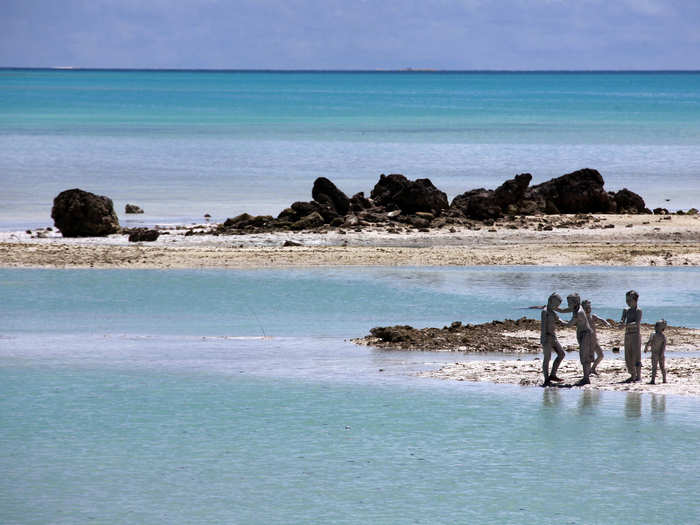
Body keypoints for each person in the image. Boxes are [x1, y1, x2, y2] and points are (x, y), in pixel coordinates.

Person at [565, 293, 593, 386]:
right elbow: (566, 310)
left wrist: (559, 321)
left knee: (584, 357)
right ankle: (586, 377)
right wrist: (556, 309)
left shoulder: (579, 312)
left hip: (586, 334)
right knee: (584, 356)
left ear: (575, 302)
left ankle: (586, 378)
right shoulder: (576, 307)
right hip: (582, 334)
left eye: (569, 302)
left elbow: (569, 324)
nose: (568, 304)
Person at [541, 293, 566, 387]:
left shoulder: (553, 312)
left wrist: (572, 322)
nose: (556, 307)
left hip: (553, 337)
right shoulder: (545, 312)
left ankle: (553, 375)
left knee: (562, 354)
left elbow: (560, 321)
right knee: (547, 359)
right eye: (555, 304)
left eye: (558, 305)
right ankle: (546, 379)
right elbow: (543, 326)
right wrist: (543, 340)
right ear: (550, 301)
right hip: (546, 338)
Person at [582, 299, 609, 376]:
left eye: (589, 308)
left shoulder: (593, 316)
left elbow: (601, 320)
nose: (588, 310)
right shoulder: (582, 318)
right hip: (587, 341)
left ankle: (592, 369)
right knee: (589, 358)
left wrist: (606, 323)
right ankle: (587, 372)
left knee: (601, 355)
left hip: (594, 340)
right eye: (585, 308)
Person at [621, 290, 643, 383]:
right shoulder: (626, 310)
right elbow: (622, 320)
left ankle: (638, 376)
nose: (628, 302)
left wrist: (626, 325)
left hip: (636, 336)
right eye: (627, 300)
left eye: (630, 300)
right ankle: (632, 375)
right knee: (628, 356)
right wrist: (620, 323)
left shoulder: (638, 310)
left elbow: (637, 323)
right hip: (627, 335)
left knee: (636, 356)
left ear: (635, 300)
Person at [644, 319, 667, 384]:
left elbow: (663, 345)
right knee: (654, 367)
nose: (655, 327)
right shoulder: (653, 334)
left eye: (657, 326)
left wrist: (662, 353)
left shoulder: (663, 336)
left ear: (662, 328)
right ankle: (653, 380)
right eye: (655, 325)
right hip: (654, 353)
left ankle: (664, 379)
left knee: (662, 367)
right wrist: (646, 348)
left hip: (660, 353)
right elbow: (649, 342)